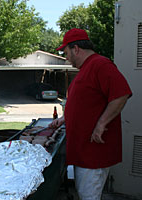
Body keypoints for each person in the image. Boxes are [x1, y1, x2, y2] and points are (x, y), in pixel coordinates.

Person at [49, 28, 132, 200]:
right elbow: (87, 104)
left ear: (76, 49)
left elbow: (121, 93)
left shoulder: (101, 65)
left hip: (93, 154)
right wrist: (65, 118)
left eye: (66, 53)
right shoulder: (87, 68)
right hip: (83, 152)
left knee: (88, 196)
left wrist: (101, 124)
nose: (66, 58)